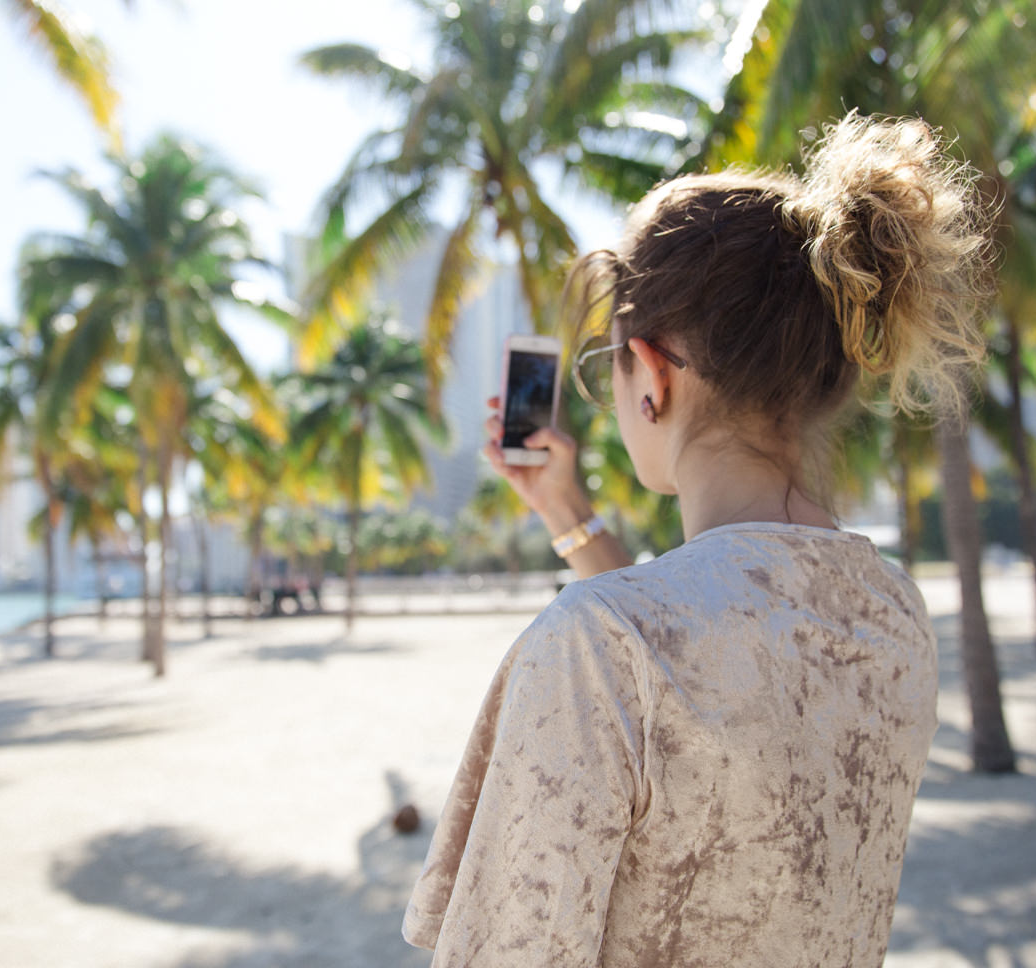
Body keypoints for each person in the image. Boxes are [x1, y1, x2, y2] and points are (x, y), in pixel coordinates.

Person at [401, 112, 992, 967]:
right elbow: (706, 662)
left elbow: (666, 659)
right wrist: (567, 512)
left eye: (614, 367)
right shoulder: (893, 612)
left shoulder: (598, 647)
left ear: (656, 376)